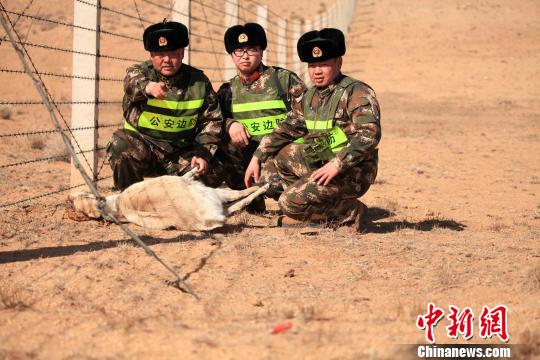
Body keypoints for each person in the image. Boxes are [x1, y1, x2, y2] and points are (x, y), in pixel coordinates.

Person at [244, 28, 381, 230]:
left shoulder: (357, 92)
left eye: (324, 65)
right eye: (312, 65)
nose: (317, 71)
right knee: (268, 176)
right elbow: (286, 128)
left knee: (287, 202)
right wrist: (257, 156)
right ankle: (311, 207)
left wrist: (337, 164)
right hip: (321, 163)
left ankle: (350, 211)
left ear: (339, 63)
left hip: (352, 171)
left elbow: (370, 134)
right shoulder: (310, 97)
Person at [107, 20, 223, 190]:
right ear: (152, 56)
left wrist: (202, 153)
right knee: (121, 144)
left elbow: (212, 121)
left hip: (180, 153)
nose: (167, 60)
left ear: (182, 53)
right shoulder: (140, 74)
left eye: (173, 53)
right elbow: (131, 81)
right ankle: (129, 200)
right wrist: (147, 87)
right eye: (160, 54)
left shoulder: (198, 82)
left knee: (212, 172)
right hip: (145, 150)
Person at [215, 23, 307, 212]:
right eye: (239, 50)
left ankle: (297, 200)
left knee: (271, 180)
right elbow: (214, 119)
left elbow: (305, 116)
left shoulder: (283, 80)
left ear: (261, 51)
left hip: (281, 153)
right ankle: (250, 202)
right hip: (248, 153)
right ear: (232, 55)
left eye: (251, 49)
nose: (245, 56)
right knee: (221, 149)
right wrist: (230, 124)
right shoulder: (228, 90)